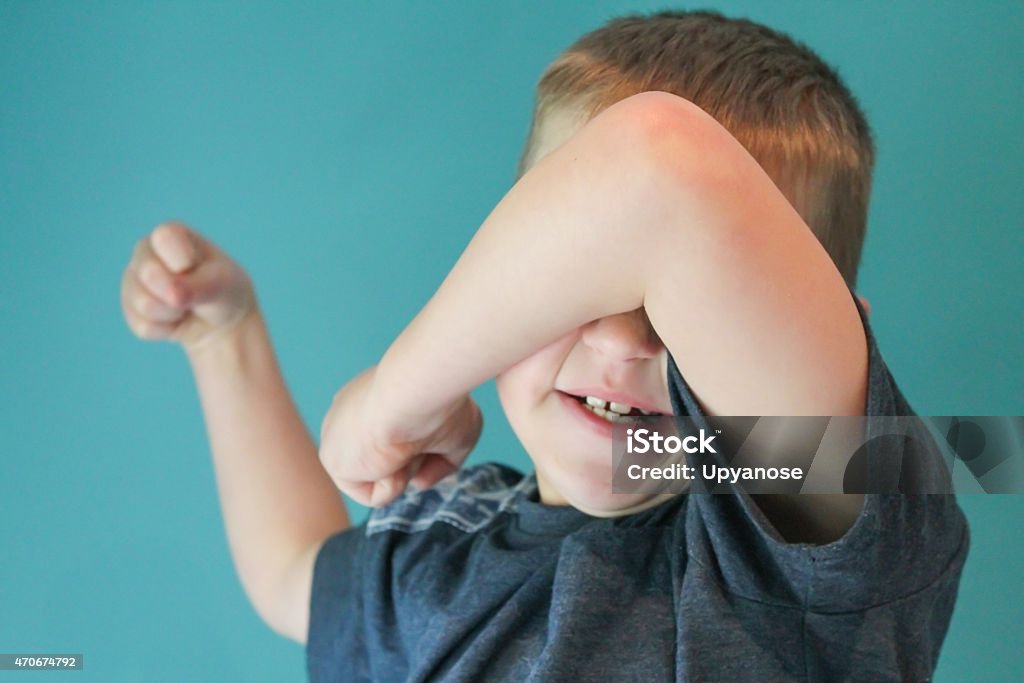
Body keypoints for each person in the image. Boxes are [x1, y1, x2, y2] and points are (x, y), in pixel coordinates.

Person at [119, 9, 969, 682]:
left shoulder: (819, 541)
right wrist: (224, 339)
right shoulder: (455, 528)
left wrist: (392, 398)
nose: (622, 335)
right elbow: (292, 571)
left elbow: (664, 171)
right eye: (585, 279)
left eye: (680, 303)